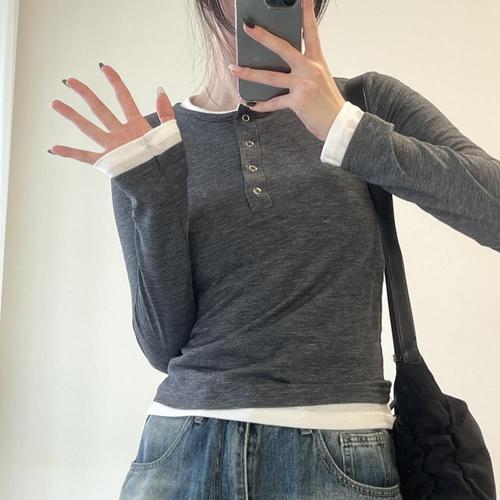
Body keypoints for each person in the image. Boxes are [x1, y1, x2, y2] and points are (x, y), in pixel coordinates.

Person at [48, 0, 500, 498]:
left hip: (338, 450)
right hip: (179, 451)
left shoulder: (364, 101)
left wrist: (343, 127)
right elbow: (162, 346)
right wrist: (155, 198)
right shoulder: (153, 141)